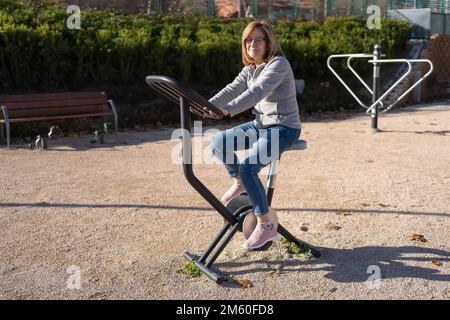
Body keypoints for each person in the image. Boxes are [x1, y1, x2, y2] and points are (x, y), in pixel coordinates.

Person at [206, 20, 301, 250]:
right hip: (260, 125)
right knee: (219, 142)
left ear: (269, 43)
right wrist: (206, 105)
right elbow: (232, 88)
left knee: (249, 167)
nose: (252, 44)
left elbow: (256, 92)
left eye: (258, 39)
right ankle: (239, 181)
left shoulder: (278, 65)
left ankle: (266, 224)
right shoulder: (250, 69)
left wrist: (227, 110)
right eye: (248, 39)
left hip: (283, 127)